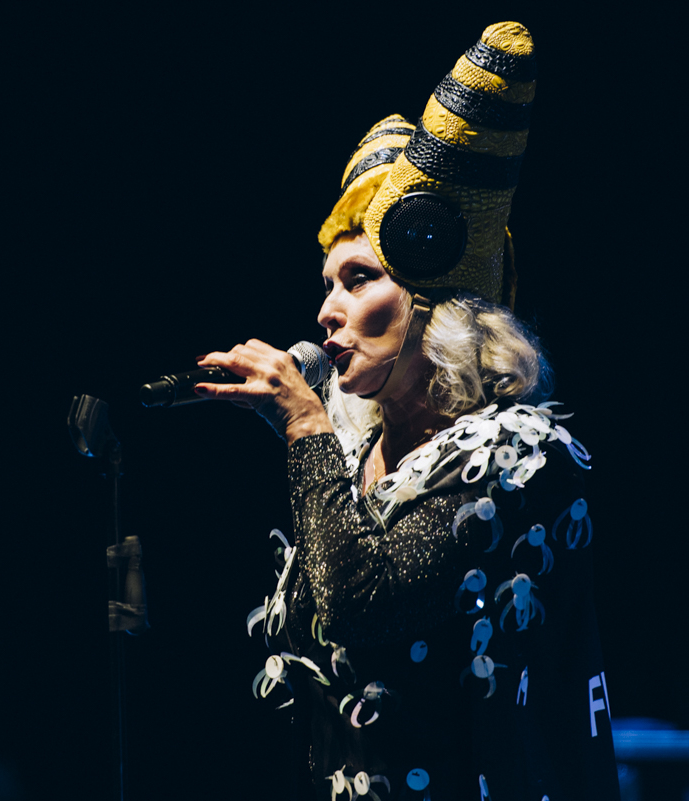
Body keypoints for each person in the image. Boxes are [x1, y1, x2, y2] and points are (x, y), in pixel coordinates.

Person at [196, 22, 621, 801]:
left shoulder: (523, 453)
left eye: (357, 279)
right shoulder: (354, 467)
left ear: (432, 302)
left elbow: (367, 603)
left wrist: (305, 427)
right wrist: (321, 445)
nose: (327, 311)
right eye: (326, 284)